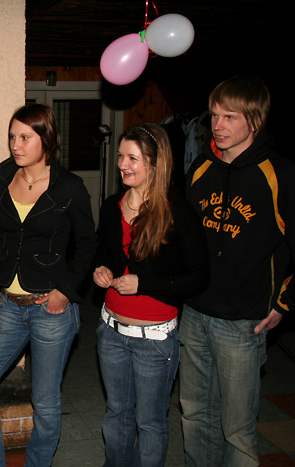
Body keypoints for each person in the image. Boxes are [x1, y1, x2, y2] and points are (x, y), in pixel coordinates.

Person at [0, 103, 96, 467]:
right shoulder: (3, 178)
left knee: (45, 401)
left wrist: (65, 290)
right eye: (12, 136)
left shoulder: (70, 187)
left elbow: (88, 244)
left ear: (46, 139)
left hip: (50, 310)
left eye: (25, 137)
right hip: (8, 305)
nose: (15, 145)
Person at [180, 74, 295, 467]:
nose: (218, 125)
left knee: (238, 429)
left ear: (255, 121)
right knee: (195, 415)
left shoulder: (281, 174)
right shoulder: (200, 168)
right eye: (214, 115)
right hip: (194, 313)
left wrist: (283, 302)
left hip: (244, 322)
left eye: (230, 117)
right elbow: (186, 239)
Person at [93, 123, 209, 466]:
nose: (122, 165)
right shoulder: (112, 206)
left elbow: (198, 278)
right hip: (111, 332)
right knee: (117, 414)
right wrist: (100, 270)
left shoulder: (177, 213)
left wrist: (143, 284)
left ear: (156, 165)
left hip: (155, 340)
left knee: (150, 423)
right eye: (120, 156)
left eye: (133, 158)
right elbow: (103, 252)